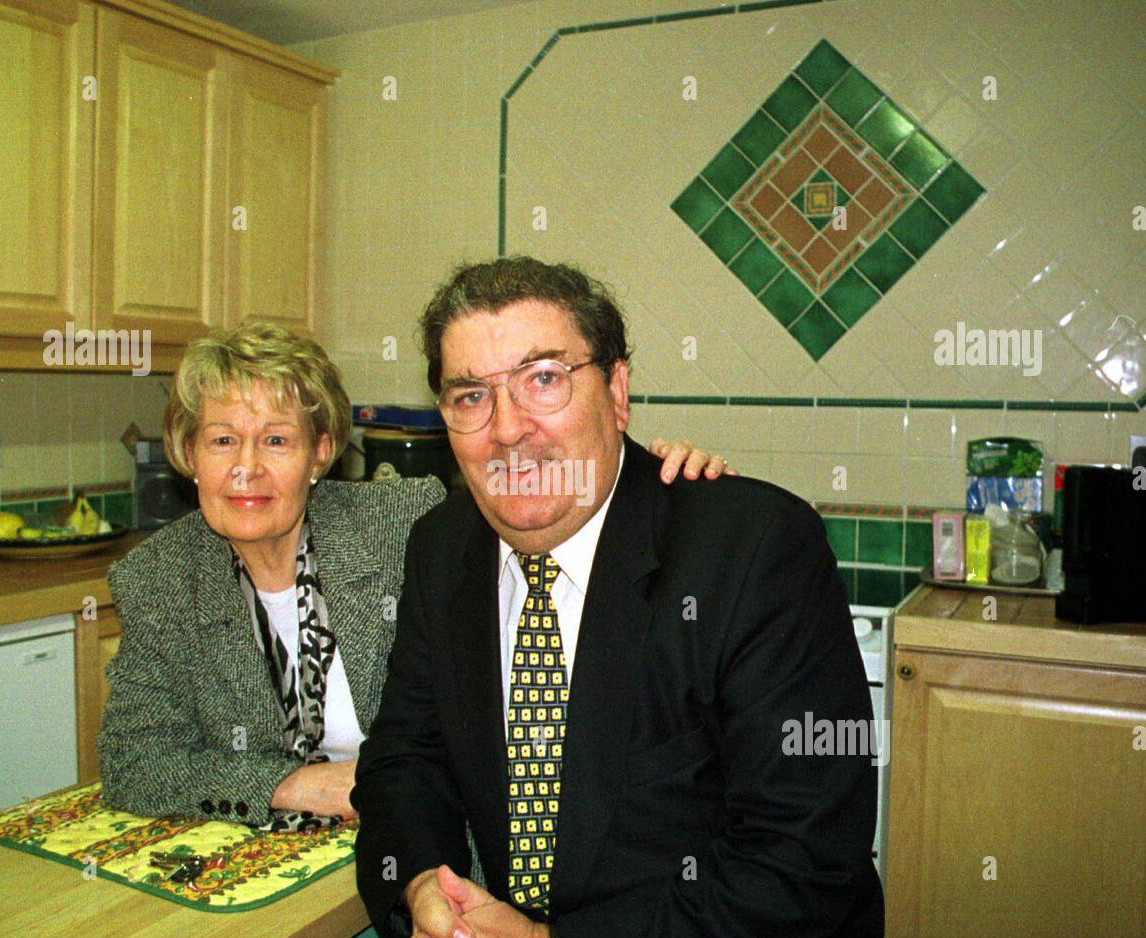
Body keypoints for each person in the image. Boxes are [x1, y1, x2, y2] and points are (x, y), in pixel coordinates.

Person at [352, 257, 889, 938]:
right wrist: (424, 887)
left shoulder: (752, 548)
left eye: (543, 379)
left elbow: (804, 855)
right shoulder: (442, 549)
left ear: (617, 390)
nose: (507, 428)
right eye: (470, 396)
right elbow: (404, 758)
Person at [96, 321, 726, 831]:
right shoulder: (161, 578)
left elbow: (543, 517)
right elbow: (135, 762)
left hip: (443, 862)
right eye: (223, 441)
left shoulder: (403, 524)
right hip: (267, 871)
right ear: (188, 453)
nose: (247, 470)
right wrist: (303, 787)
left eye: (277, 442)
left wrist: (652, 487)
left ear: (321, 451)